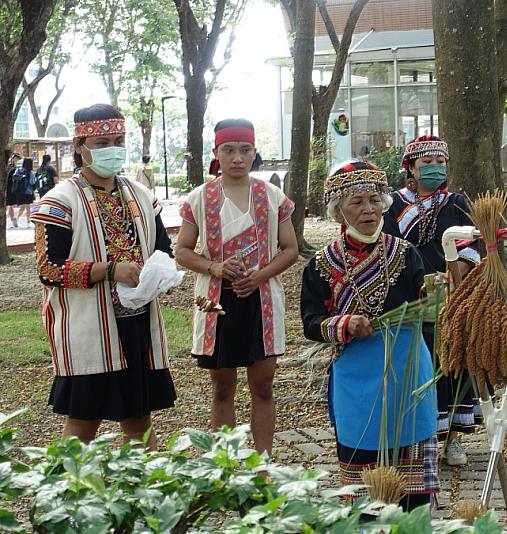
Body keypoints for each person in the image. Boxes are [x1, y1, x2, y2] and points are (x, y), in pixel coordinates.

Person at [30, 103, 176, 447]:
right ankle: (68, 497)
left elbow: (163, 251)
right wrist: (110, 270)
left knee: (139, 420)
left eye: (118, 139)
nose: (113, 148)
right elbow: (49, 269)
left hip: (137, 323)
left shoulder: (141, 196)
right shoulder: (59, 202)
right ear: (80, 146)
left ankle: (145, 497)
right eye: (102, 142)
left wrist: (161, 276)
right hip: (88, 327)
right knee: (83, 423)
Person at [301, 161, 440, 511]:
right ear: (338, 212)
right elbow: (311, 322)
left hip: (409, 374)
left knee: (414, 493)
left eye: (375, 200)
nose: (369, 209)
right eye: (357, 202)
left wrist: (438, 297)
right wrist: (343, 324)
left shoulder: (406, 255)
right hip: (357, 382)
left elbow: (426, 309)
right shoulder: (321, 264)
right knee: (364, 492)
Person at [175, 119, 299, 454]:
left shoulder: (273, 197)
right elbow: (182, 250)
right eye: (228, 150)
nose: (237, 158)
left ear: (254, 152)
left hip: (263, 302)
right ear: (216, 152)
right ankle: (226, 465)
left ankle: (263, 461)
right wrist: (215, 267)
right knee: (222, 389)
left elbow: (290, 248)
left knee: (263, 387)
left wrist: (260, 275)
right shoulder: (199, 199)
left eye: (245, 150)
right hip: (217, 304)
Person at [382, 134, 482, 467]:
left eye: (440, 163)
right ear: (409, 168)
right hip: (410, 298)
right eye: (427, 163)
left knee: (452, 363)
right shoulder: (392, 206)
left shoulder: (456, 203)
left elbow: (472, 244)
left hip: (452, 293)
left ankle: (452, 438)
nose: (435, 168)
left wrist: (458, 275)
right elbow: (387, 248)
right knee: (415, 365)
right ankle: (416, 438)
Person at [9, 158, 37, 228]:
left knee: (22, 207)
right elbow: (32, 182)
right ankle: (28, 222)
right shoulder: (30, 172)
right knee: (28, 207)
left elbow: (14, 178)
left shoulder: (18, 170)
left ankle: (17, 219)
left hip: (19, 192)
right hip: (28, 192)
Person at [5, 152, 21, 228]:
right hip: (8, 187)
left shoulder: (13, 166)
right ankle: (12, 220)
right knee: (8, 204)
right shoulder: (10, 166)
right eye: (16, 158)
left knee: (9, 204)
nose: (17, 160)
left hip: (11, 187)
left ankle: (12, 219)